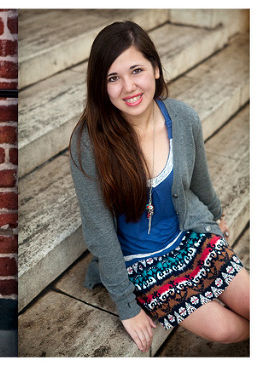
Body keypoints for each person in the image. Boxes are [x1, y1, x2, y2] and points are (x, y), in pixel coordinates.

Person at [69, 21, 249, 353]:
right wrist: (126, 305)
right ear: (100, 86)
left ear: (156, 69)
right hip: (140, 262)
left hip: (188, 234)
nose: (128, 87)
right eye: (113, 78)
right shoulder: (89, 143)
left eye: (136, 70)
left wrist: (215, 215)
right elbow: (99, 231)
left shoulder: (183, 119)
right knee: (223, 329)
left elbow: (200, 181)